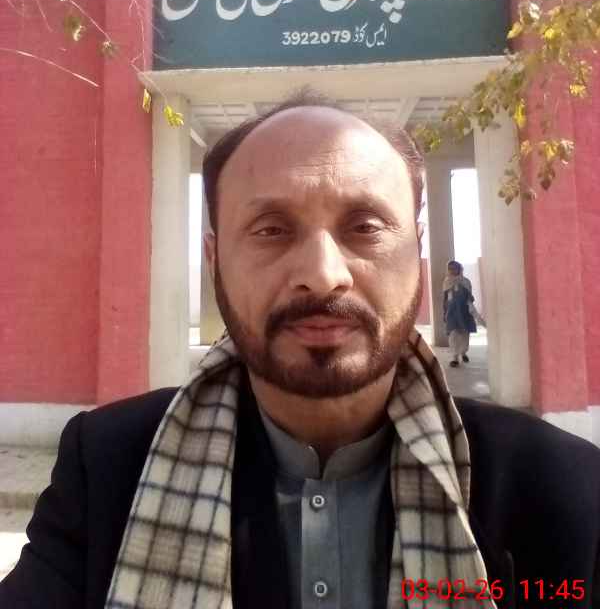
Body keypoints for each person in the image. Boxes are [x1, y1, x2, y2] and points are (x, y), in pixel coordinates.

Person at [1, 91, 599, 609]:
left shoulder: (561, 486)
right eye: (271, 230)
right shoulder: (108, 467)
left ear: (416, 251)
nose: (322, 274)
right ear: (215, 259)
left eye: (365, 227)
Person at [443, 259, 477, 367]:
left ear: (459, 269)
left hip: (464, 311)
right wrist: (444, 312)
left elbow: (470, 297)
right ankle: (454, 357)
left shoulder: (466, 282)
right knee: (453, 334)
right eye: (450, 269)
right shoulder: (447, 282)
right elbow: (445, 298)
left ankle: (463, 352)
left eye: (455, 268)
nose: (452, 270)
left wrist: (469, 300)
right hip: (452, 311)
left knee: (464, 333)